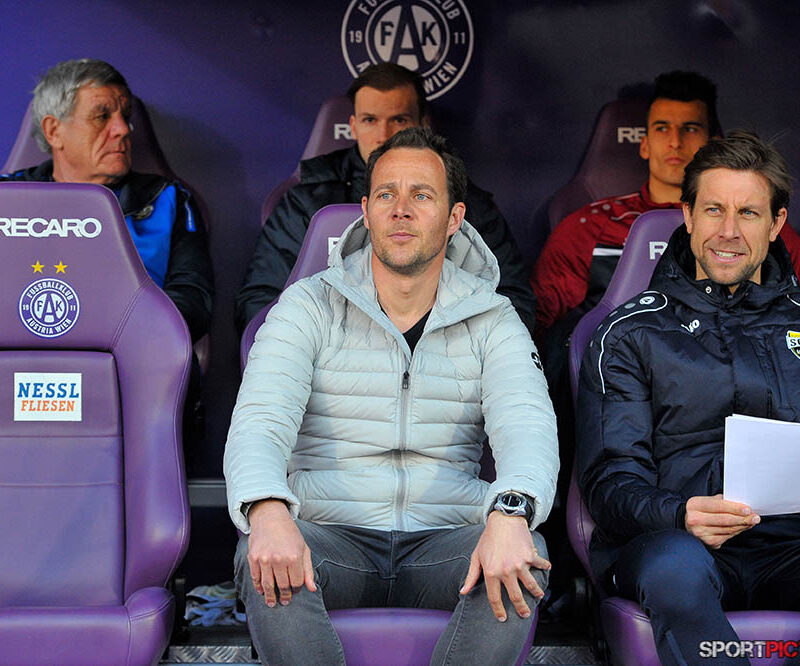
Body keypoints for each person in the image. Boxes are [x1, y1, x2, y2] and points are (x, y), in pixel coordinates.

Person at [225, 127, 558, 665]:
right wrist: (266, 510)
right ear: (365, 211)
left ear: (454, 218)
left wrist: (510, 513)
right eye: (386, 194)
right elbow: (259, 421)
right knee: (260, 552)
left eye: (421, 195)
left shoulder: (494, 317)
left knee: (525, 554)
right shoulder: (307, 305)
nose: (401, 209)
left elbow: (528, 425)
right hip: (330, 538)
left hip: (444, 542)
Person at [577, 131, 800, 665]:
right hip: (672, 540)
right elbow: (610, 483)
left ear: (776, 224)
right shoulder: (629, 333)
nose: (728, 231)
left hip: (787, 542)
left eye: (748, 213)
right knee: (676, 568)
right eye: (714, 210)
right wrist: (681, 514)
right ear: (688, 216)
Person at [235, 62, 536, 336]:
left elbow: (513, 302)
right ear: (353, 126)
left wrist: (456, 352)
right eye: (370, 120)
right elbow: (261, 302)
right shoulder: (308, 201)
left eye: (399, 120)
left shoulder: (462, 200)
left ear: (423, 124)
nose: (384, 134)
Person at [533, 71, 800, 334]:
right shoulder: (588, 227)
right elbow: (536, 324)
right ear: (644, 144)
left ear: (714, 145)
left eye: (690, 128)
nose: (675, 142)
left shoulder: (767, 230)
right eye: (662, 128)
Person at [1, 59, 213, 343]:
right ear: (54, 131)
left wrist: (122, 331)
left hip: (133, 352)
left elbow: (194, 301)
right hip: (19, 354)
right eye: (102, 116)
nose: (123, 129)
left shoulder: (169, 199)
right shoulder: (6, 199)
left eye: (125, 116)